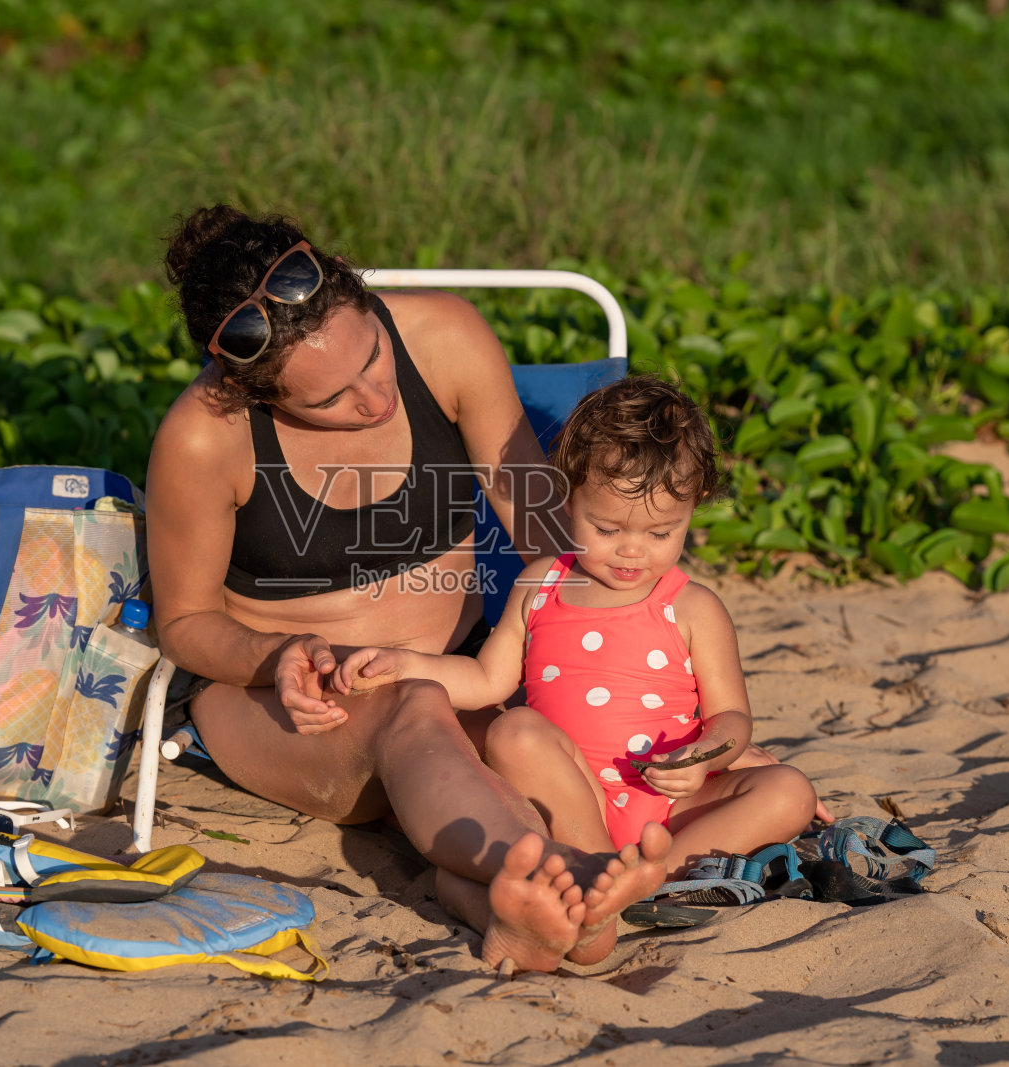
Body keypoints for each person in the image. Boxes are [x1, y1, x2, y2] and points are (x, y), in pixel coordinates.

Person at [144, 205, 671, 973]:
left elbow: (547, 537)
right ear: (250, 388)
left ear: (363, 296)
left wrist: (677, 699)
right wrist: (279, 652)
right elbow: (185, 622)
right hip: (280, 700)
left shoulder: (446, 339)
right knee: (410, 703)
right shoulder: (204, 435)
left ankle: (533, 909)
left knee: (514, 741)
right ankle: (573, 877)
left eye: (371, 356)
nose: (374, 398)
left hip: (459, 674)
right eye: (328, 400)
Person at [335, 374, 824, 957]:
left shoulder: (693, 608)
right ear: (567, 499)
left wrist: (700, 759)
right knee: (514, 731)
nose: (632, 550)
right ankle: (595, 886)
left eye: (662, 531)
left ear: (693, 510)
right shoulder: (540, 585)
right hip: (566, 797)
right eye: (607, 528)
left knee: (789, 789)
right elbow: (487, 681)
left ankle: (648, 879)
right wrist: (407, 663)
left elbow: (732, 720)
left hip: (666, 808)